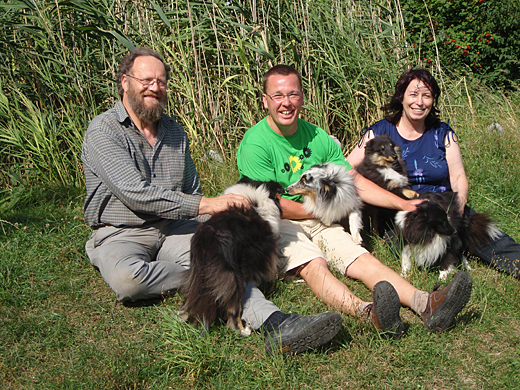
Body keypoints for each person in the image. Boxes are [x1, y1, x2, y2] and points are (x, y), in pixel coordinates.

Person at [81, 47, 343, 356]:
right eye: (146, 79)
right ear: (125, 82)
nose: (155, 87)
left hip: (174, 227)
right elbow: (134, 192)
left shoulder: (175, 132)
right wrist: (207, 206)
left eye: (162, 81)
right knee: (129, 282)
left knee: (220, 258)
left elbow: (191, 187)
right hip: (122, 229)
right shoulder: (104, 130)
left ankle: (278, 323)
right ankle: (209, 282)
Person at [237, 64, 473, 337]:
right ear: (265, 100)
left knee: (361, 258)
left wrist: (404, 204)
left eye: (293, 94)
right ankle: (368, 312)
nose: (286, 103)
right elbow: (272, 203)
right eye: (278, 96)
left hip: (320, 215)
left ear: (302, 97)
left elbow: (356, 181)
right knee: (315, 264)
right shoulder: (255, 143)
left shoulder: (316, 135)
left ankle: (425, 303)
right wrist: (324, 212)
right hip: (283, 222)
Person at [347, 68, 520, 280]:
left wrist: (459, 206)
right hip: (401, 213)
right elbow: (347, 169)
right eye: (413, 94)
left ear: (433, 100)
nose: (419, 102)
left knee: (493, 239)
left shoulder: (443, 133)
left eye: (426, 96)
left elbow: (458, 177)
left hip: (443, 204)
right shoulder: (379, 132)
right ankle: (450, 251)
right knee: (416, 247)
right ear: (401, 97)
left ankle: (461, 244)